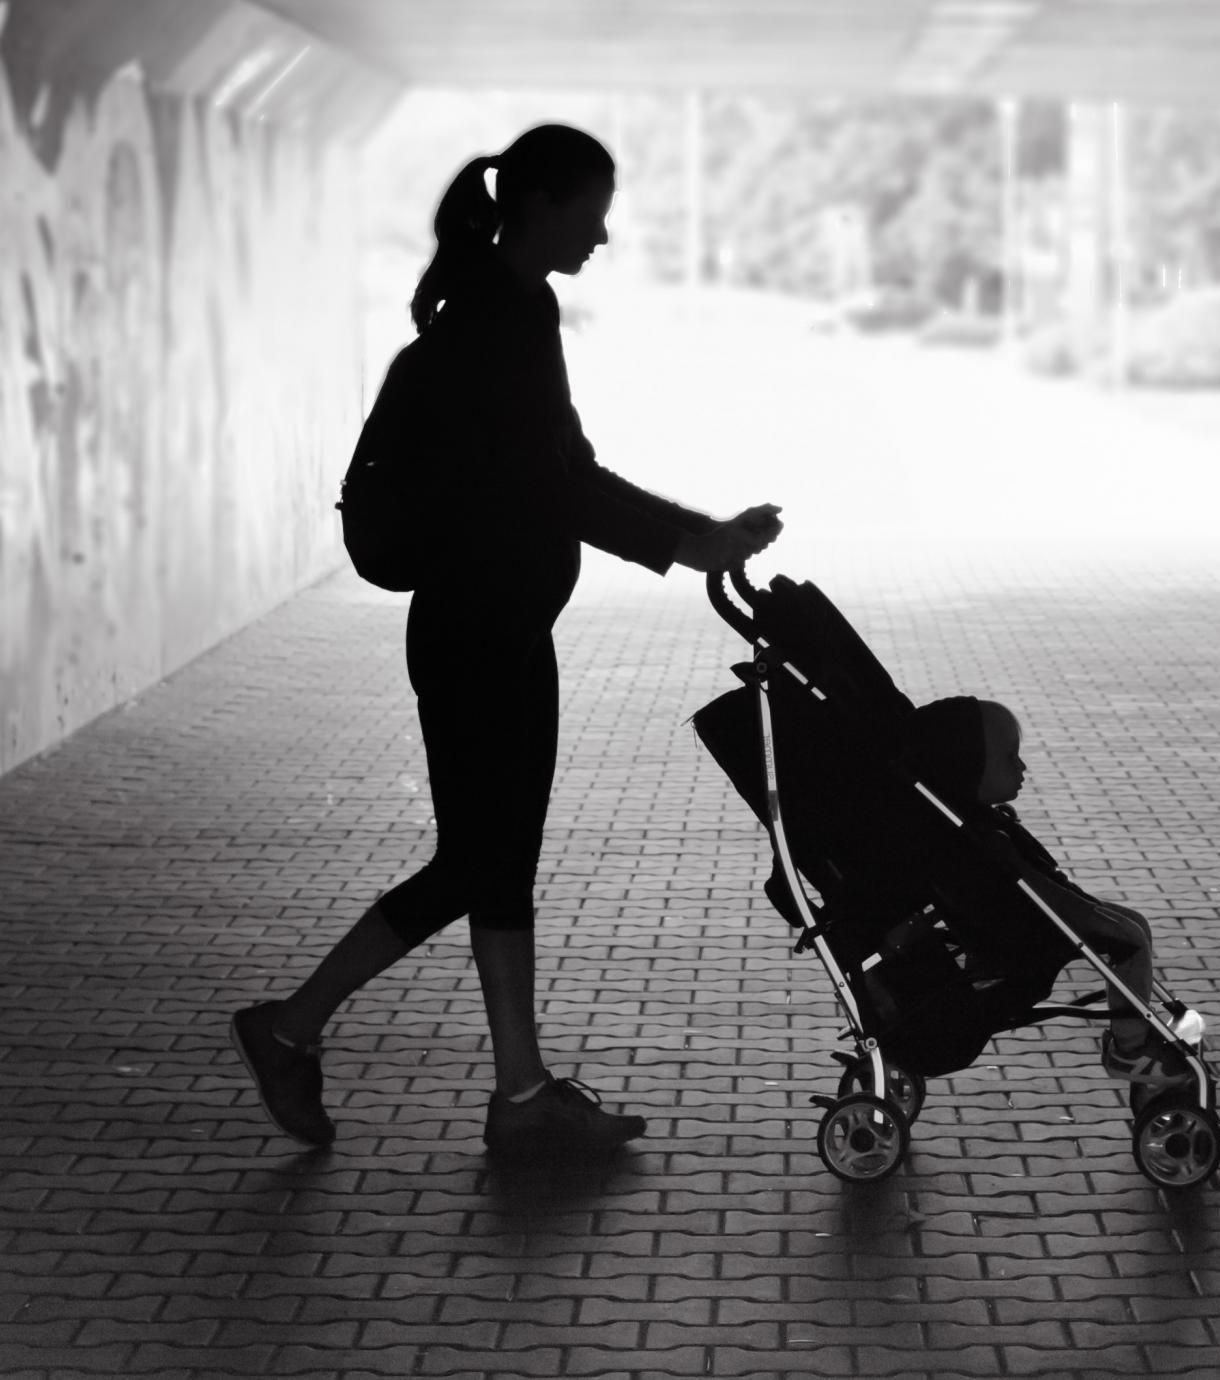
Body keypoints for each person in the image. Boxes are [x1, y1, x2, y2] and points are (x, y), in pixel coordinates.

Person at [231, 124, 783, 1158]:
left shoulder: (500, 305)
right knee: (480, 861)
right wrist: (689, 540)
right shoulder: (506, 314)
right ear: (540, 206)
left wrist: (687, 536)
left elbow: (547, 471)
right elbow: (558, 477)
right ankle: (296, 1027)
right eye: (591, 210)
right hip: (478, 633)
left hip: (489, 628)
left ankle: (517, 1089)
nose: (605, 234)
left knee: (493, 863)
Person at [900, 697, 1188, 1086]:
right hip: (1027, 928)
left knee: (1133, 923)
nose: (1021, 767)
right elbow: (1038, 894)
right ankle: (1130, 1047)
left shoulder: (969, 824)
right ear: (968, 766)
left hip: (1021, 919)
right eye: (1009, 758)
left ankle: (1133, 1030)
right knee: (1129, 939)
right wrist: (1087, 913)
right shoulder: (979, 839)